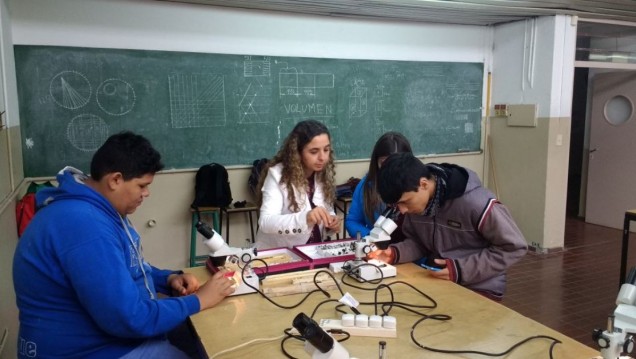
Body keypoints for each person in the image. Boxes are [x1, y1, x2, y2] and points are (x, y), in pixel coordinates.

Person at [13, 131, 235, 359]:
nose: (146, 193)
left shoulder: (96, 208)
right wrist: (200, 300)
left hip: (108, 339)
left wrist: (167, 279)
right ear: (115, 180)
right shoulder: (83, 224)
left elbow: (122, 266)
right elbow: (129, 318)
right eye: (142, 185)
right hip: (92, 350)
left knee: (195, 337)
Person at [368, 153, 527, 300]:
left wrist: (461, 270)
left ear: (423, 184)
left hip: (480, 287)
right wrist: (393, 253)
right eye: (397, 204)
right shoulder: (416, 205)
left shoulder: (476, 203)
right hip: (439, 281)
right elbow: (419, 242)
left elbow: (514, 247)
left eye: (405, 202)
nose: (402, 210)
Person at [255, 119, 341, 249]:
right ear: (297, 152)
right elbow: (265, 222)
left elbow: (326, 209)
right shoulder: (277, 175)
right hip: (281, 255)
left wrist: (331, 221)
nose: (322, 157)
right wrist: (305, 218)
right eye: (314, 151)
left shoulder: (322, 174)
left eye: (326, 149)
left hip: (314, 251)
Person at [345, 131, 412, 245]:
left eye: (397, 164)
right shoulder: (366, 186)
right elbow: (352, 221)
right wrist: (371, 237)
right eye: (384, 163)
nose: (391, 170)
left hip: (411, 251)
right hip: (379, 250)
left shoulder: (417, 187)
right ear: (376, 162)